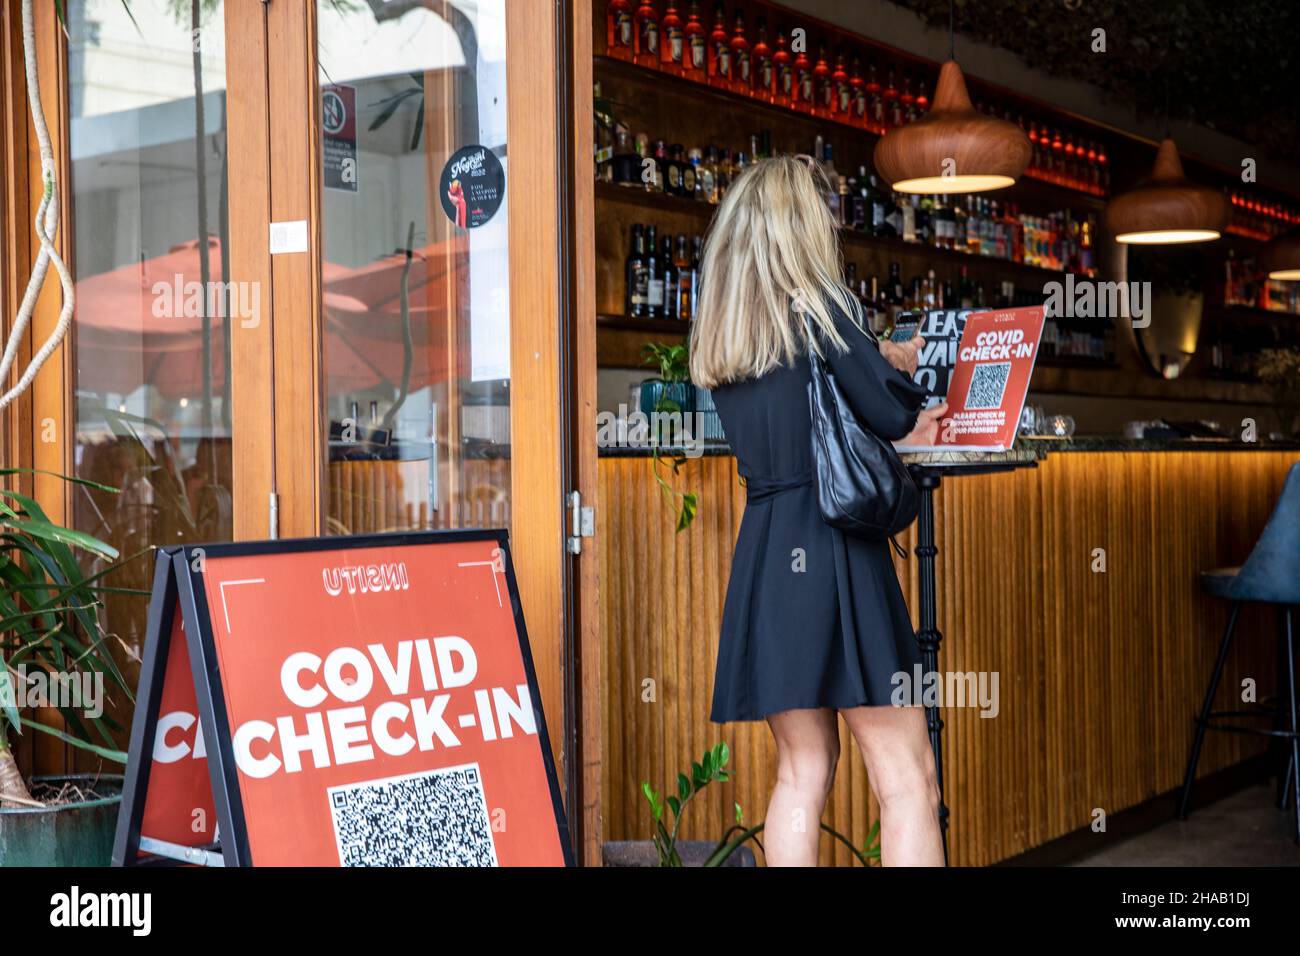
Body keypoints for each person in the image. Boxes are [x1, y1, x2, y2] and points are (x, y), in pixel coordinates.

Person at [689, 154, 947, 867]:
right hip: (836, 552)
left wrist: (875, 352)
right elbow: (893, 415)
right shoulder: (822, 307)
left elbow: (814, 391)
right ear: (801, 226)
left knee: (802, 772)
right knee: (906, 780)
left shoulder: (728, 330)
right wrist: (904, 372)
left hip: (768, 551)